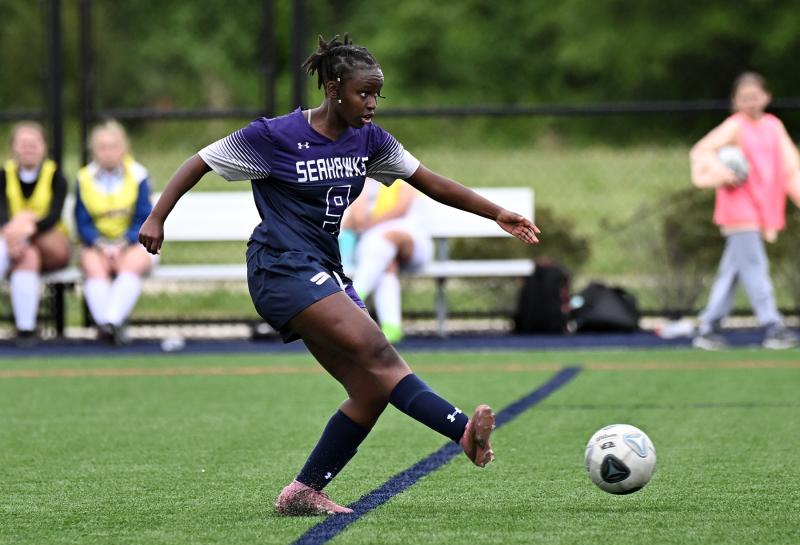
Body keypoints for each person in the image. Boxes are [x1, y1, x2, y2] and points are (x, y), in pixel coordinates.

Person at [139, 34, 539, 516]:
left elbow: (431, 182)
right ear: (333, 89)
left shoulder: (370, 140)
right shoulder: (275, 135)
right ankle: (461, 431)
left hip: (324, 268)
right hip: (279, 266)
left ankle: (303, 492)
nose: (371, 104)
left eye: (376, 94)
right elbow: (197, 163)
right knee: (377, 350)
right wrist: (157, 217)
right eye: (362, 93)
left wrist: (497, 214)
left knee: (371, 389)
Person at [689, 72, 800, 350]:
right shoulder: (734, 126)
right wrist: (722, 172)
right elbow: (701, 152)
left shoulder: (773, 126)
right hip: (738, 211)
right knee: (754, 267)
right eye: (744, 98)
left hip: (762, 209)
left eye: (755, 96)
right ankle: (773, 325)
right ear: (735, 101)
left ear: (767, 96)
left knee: (732, 270)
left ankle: (708, 326)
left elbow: (791, 168)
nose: (751, 103)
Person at [75, 120, 154, 345]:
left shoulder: (138, 175)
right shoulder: (84, 178)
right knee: (92, 264)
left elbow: (143, 218)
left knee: (133, 262)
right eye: (102, 147)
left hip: (132, 243)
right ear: (94, 150)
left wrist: (122, 244)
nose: (108, 152)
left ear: (124, 148)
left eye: (113, 146)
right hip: (96, 245)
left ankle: (110, 322)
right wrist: (100, 245)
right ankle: (109, 326)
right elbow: (82, 222)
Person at [0, 122, 70, 346]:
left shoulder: (56, 176)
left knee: (23, 244)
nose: (29, 148)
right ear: (13, 148)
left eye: (34, 143)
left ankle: (26, 328)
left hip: (49, 243)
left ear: (44, 147)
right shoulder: (4, 175)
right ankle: (26, 329)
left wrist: (26, 226)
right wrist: (16, 232)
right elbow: (1, 214)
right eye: (23, 144)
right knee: (27, 255)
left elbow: (53, 217)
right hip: (17, 246)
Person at [342, 176, 433, 343]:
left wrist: (370, 224)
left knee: (386, 238)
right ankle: (392, 327)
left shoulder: (402, 177)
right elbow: (358, 219)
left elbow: (400, 209)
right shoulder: (361, 184)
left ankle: (353, 296)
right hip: (374, 249)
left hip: (411, 243)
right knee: (385, 263)